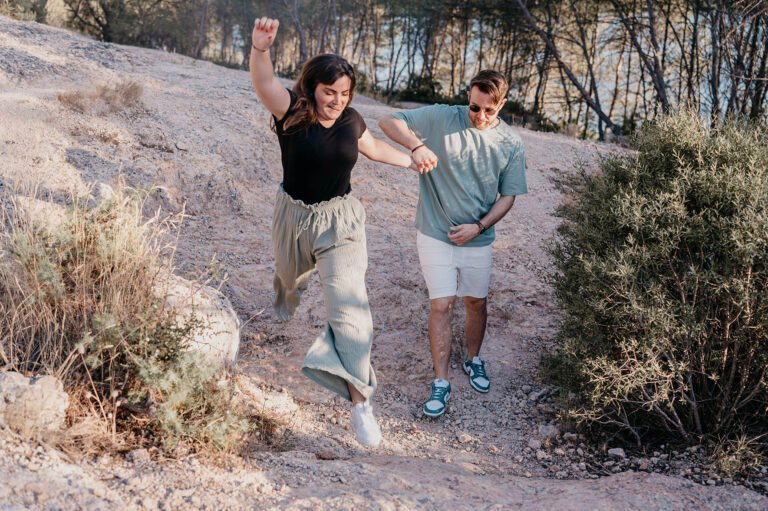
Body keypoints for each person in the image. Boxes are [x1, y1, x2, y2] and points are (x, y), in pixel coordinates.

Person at [249, 17, 428, 446]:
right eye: (330, 91)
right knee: (289, 280)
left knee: (349, 309)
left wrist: (413, 158)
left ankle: (360, 403)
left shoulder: (351, 120)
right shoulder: (291, 111)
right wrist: (260, 49)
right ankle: (287, 289)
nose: (337, 100)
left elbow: (375, 148)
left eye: (345, 93)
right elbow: (264, 82)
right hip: (293, 218)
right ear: (313, 87)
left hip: (340, 222)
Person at [379, 70, 527, 417]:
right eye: (474, 107)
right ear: (468, 98)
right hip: (435, 233)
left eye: (489, 110)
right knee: (442, 305)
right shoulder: (443, 116)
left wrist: (479, 227)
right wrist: (416, 146)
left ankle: (473, 359)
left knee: (476, 302)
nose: (480, 116)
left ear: (502, 105)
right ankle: (441, 381)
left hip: (478, 238)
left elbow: (508, 197)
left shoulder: (511, 142)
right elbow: (387, 121)